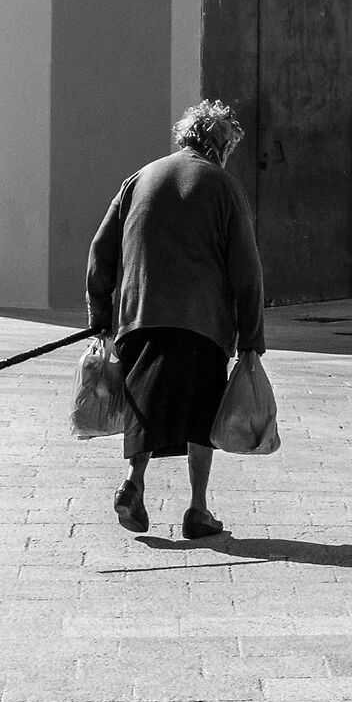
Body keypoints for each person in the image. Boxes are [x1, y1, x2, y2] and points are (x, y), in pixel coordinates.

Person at [85, 100, 265, 538]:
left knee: (145, 404)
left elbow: (101, 251)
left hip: (139, 316)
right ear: (221, 146)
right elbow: (247, 269)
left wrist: (100, 316)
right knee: (202, 413)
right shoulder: (224, 187)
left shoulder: (139, 179)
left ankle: (133, 482)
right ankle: (197, 508)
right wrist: (251, 338)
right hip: (202, 323)